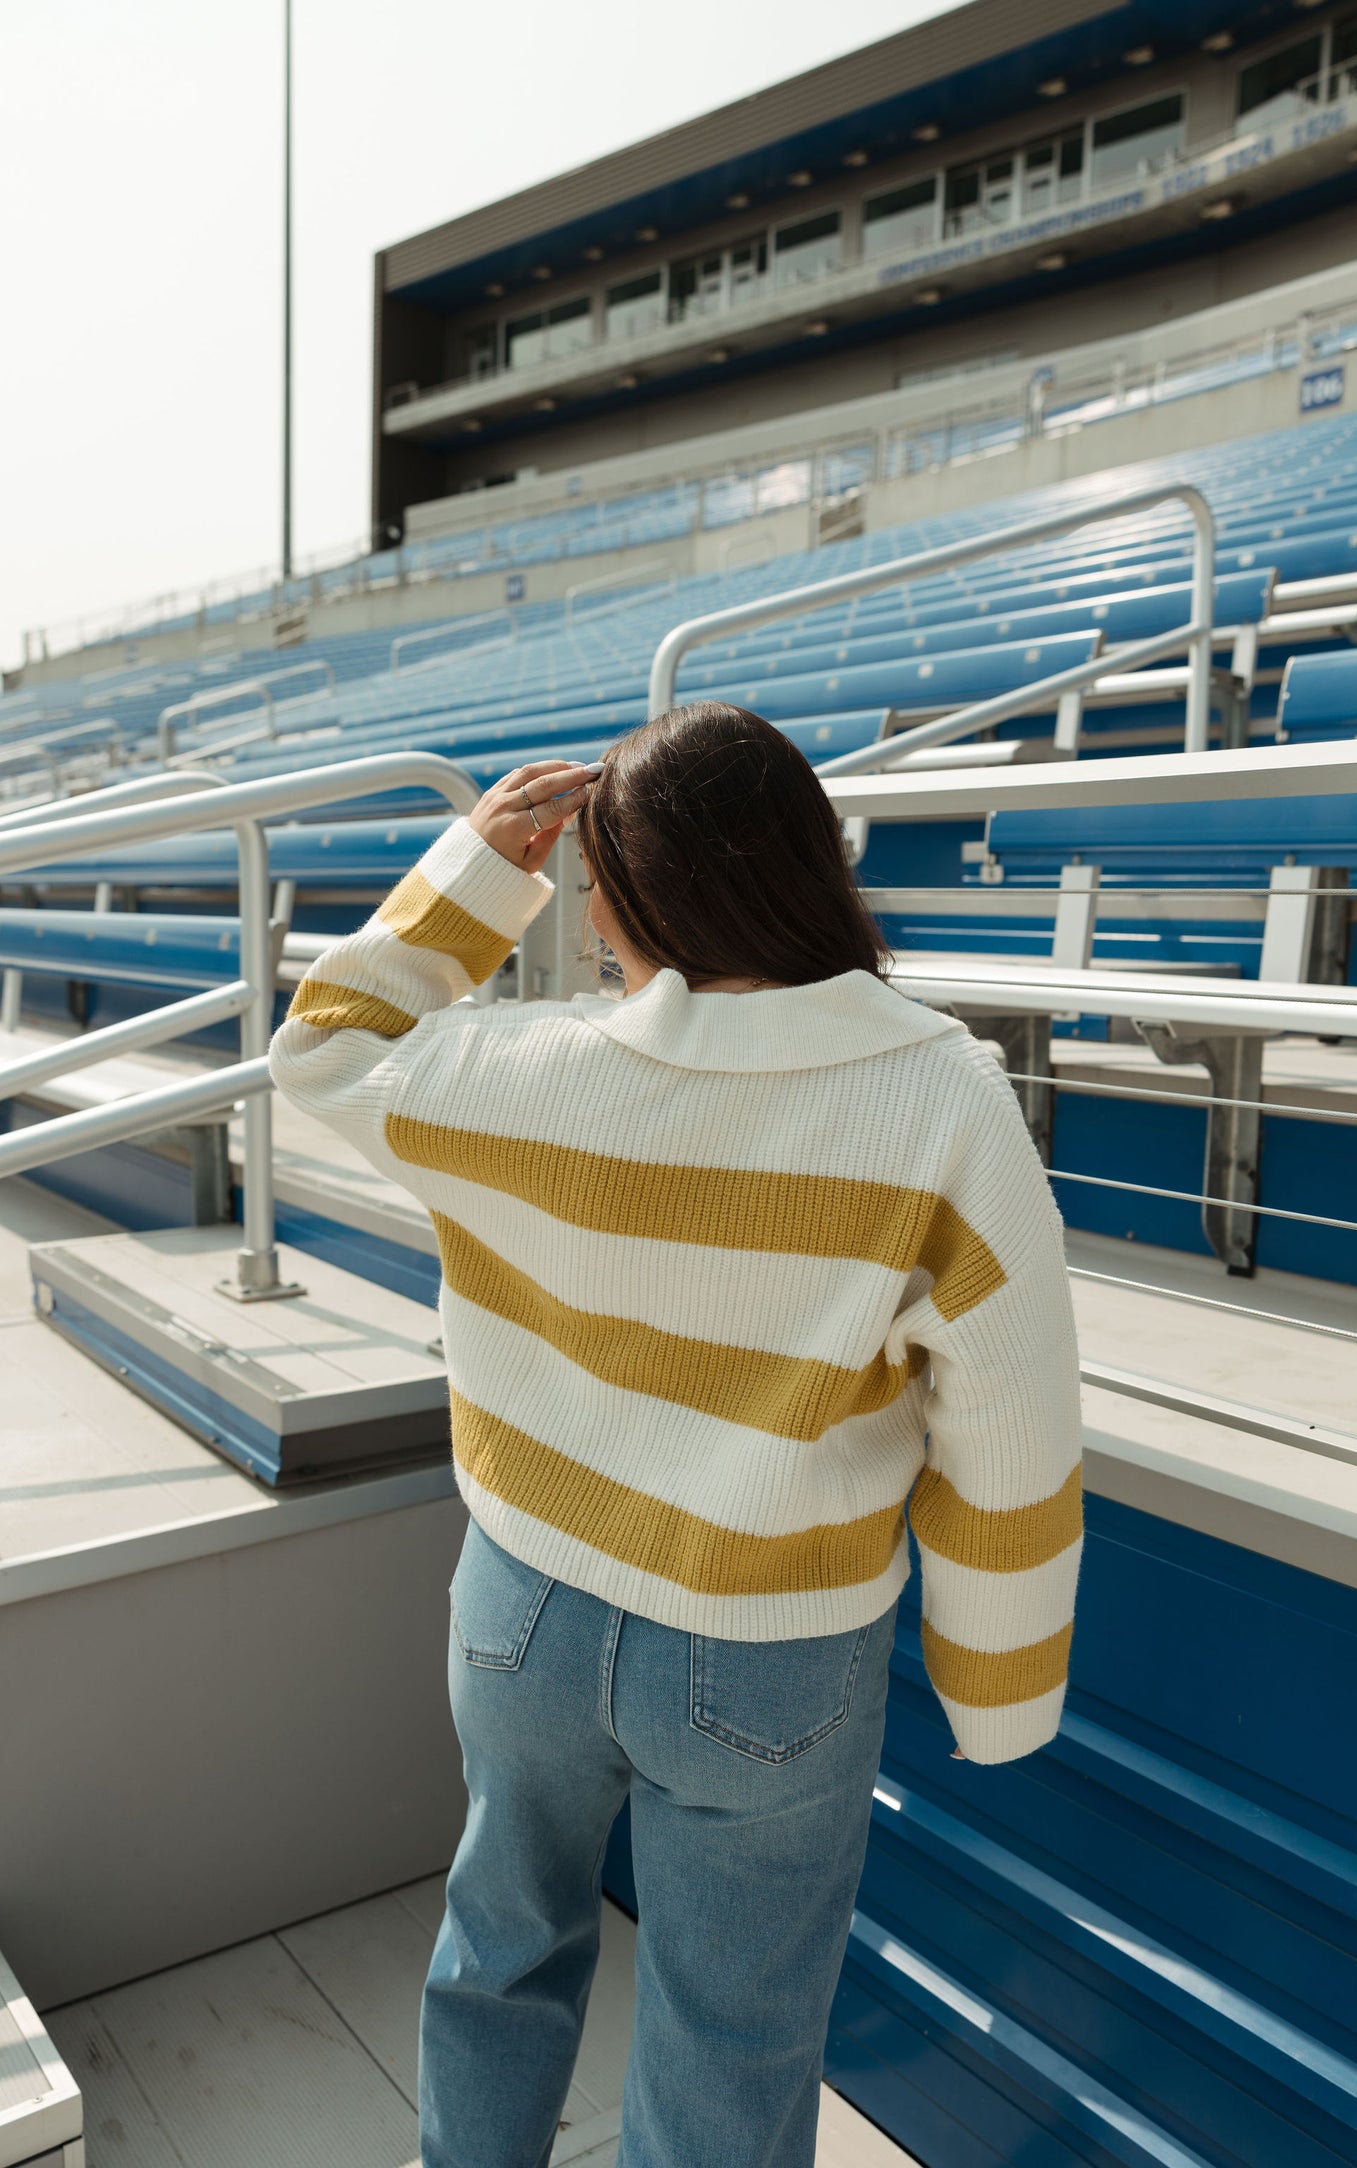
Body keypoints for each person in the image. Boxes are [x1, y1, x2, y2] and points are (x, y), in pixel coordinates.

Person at [269, 700, 1082, 2168]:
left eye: (591, 888)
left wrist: (469, 873)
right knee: (733, 2031)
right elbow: (1009, 1428)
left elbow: (318, 1050)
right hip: (768, 1645)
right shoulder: (939, 1097)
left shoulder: (522, 1068)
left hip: (518, 1609)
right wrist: (997, 1684)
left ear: (630, 896)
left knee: (495, 1948)